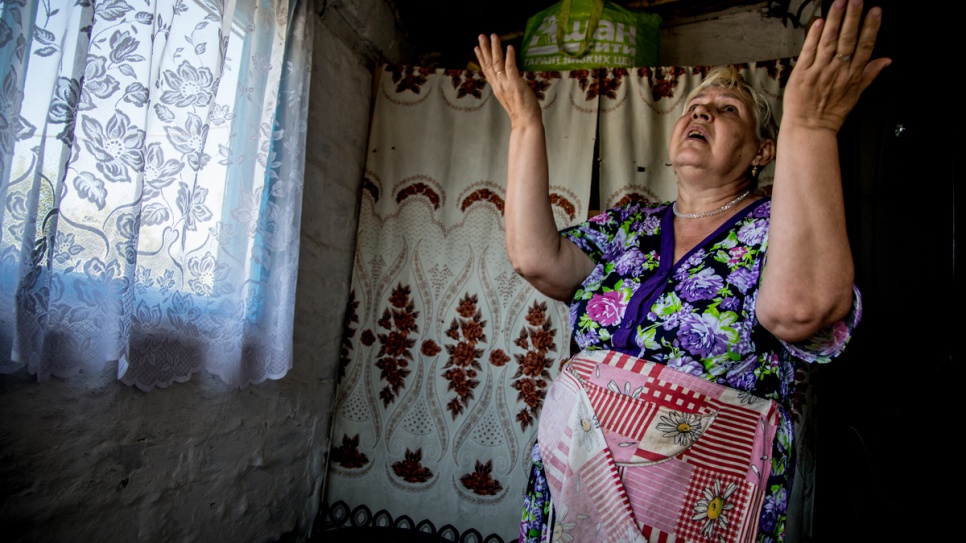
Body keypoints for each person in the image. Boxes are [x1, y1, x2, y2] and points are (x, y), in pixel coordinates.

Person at [474, 0, 890, 541]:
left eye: (728, 110)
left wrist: (810, 127)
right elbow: (536, 258)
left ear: (764, 150)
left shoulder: (779, 225)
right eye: (697, 105)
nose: (702, 113)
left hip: (700, 504)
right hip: (580, 492)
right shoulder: (628, 226)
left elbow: (801, 310)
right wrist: (526, 122)